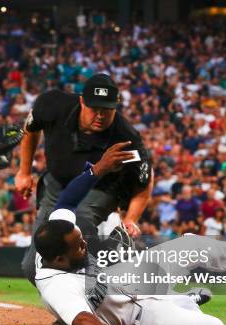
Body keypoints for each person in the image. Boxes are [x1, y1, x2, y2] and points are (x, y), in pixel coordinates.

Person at [32, 145, 226, 325]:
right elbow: (86, 323)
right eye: (79, 246)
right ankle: (181, 301)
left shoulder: (59, 233)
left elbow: (67, 200)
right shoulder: (56, 286)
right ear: (60, 260)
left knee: (191, 246)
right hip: (138, 317)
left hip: (125, 279)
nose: (84, 243)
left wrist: (96, 171)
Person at [15, 73, 153, 284]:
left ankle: (100, 283)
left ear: (115, 107)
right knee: (32, 266)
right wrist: (24, 171)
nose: (100, 115)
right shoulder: (53, 104)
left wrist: (131, 218)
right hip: (56, 185)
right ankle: (73, 303)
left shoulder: (126, 138)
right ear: (81, 101)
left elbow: (144, 179)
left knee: (79, 223)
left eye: (106, 110)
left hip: (99, 190)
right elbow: (30, 129)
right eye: (94, 108)